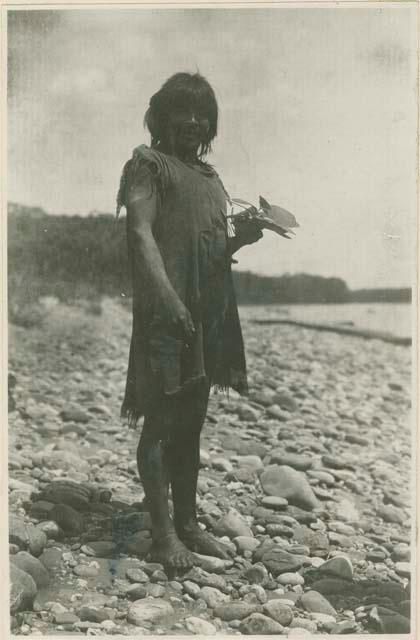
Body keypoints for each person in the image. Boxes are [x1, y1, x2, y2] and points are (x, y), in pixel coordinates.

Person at [116, 72, 263, 572]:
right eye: (183, 111)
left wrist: (242, 239)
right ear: (162, 116)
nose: (193, 122)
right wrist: (169, 300)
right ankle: (162, 536)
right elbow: (141, 234)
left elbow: (211, 249)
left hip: (207, 314)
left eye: (202, 114)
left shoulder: (211, 179)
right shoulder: (148, 165)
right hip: (166, 312)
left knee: (192, 425)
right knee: (160, 424)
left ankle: (188, 524)